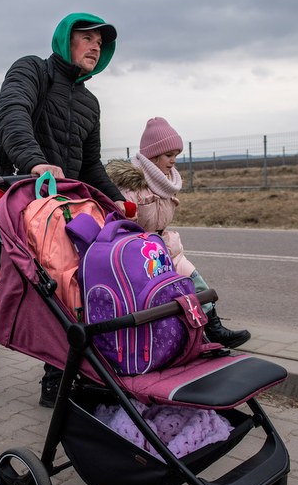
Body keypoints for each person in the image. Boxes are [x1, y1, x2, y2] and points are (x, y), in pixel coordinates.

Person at [0, 12, 126, 407]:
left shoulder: (90, 103)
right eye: (87, 38)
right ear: (65, 39)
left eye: (100, 43)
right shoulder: (32, 70)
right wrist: (35, 161)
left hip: (64, 206)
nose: (95, 47)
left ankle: (55, 381)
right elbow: (13, 116)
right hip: (21, 195)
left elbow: (90, 165)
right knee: (30, 287)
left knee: (68, 287)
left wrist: (117, 201)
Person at [106, 117, 251, 348]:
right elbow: (119, 225)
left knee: (196, 282)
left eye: (176, 154)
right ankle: (184, 336)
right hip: (140, 253)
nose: (173, 160)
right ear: (153, 156)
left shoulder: (165, 183)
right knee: (168, 296)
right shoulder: (130, 187)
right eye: (168, 155)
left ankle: (213, 328)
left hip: (164, 247)